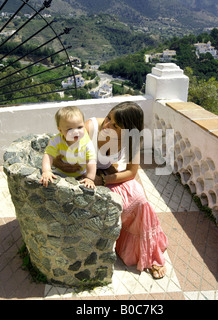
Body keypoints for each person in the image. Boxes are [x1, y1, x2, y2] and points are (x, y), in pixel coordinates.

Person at [53, 102, 168, 279]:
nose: (107, 125)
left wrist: (104, 179)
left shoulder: (133, 140)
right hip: (79, 178)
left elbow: (131, 172)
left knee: (140, 199)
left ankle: (147, 252)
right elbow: (58, 156)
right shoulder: (90, 128)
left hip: (103, 177)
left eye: (115, 125)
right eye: (108, 118)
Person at [40, 106, 96, 189]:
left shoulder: (86, 143)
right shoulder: (56, 141)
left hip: (80, 175)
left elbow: (91, 161)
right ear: (60, 130)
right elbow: (48, 155)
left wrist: (90, 178)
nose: (76, 132)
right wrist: (46, 171)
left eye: (80, 127)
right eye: (70, 129)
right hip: (60, 173)